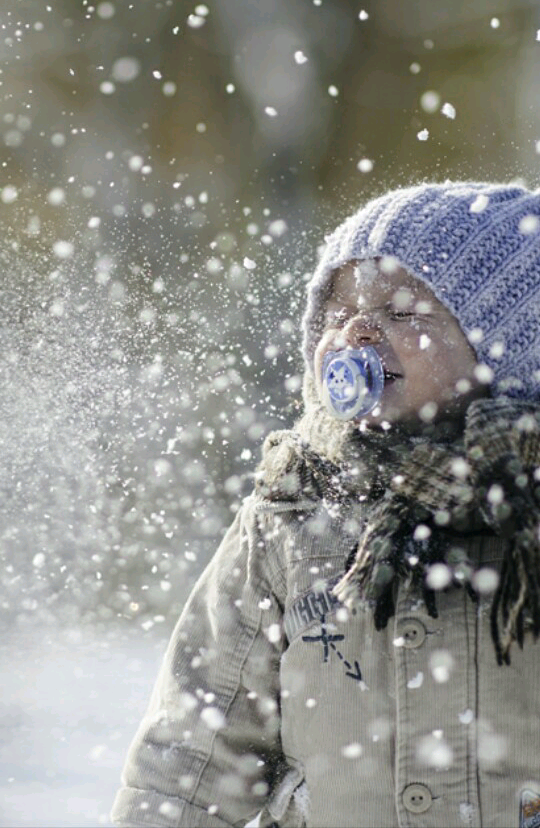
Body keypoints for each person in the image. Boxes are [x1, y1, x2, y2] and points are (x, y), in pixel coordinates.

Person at [112, 181, 540, 828]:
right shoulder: (292, 510)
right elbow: (196, 747)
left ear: (505, 353)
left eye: (404, 313)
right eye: (337, 314)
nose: (359, 330)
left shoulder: (525, 516)